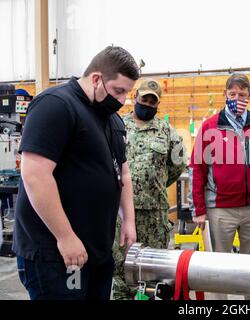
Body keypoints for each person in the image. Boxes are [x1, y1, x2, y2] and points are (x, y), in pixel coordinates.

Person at [13, 46, 139, 300]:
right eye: (118, 91)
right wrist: (65, 237)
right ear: (96, 79)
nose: (123, 100)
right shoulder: (56, 105)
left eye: (127, 93)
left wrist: (128, 220)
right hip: (57, 253)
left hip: (97, 251)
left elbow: (122, 172)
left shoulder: (112, 119)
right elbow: (35, 175)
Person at [112, 78, 187, 299]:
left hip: (154, 215)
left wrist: (155, 185)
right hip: (120, 214)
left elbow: (177, 165)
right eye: (144, 99)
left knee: (154, 273)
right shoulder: (118, 126)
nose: (147, 104)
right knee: (120, 269)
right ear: (135, 97)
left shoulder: (167, 132)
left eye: (152, 102)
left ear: (158, 104)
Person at [191, 73, 250, 257]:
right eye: (232, 94)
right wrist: (199, 209)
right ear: (225, 94)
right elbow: (197, 169)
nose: (237, 99)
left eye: (242, 95)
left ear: (249, 95)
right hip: (221, 209)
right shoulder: (209, 127)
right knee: (218, 269)